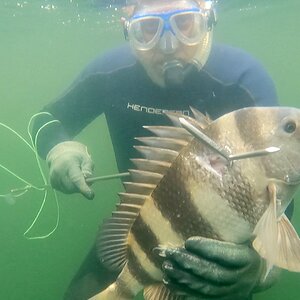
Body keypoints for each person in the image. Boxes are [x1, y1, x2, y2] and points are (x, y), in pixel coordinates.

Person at [32, 0, 285, 299]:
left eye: (184, 23)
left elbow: (279, 192)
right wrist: (58, 149)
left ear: (208, 19)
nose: (167, 45)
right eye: (148, 29)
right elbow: (44, 119)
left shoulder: (241, 79)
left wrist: (261, 269)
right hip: (140, 229)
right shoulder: (110, 72)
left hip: (225, 244)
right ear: (127, 27)